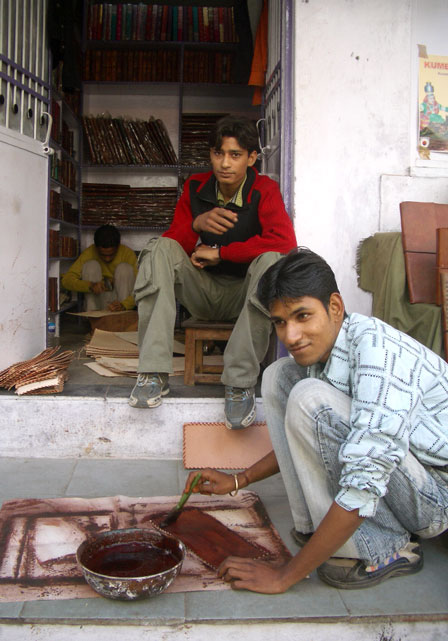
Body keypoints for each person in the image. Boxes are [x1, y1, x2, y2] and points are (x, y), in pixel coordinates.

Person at [183, 248, 448, 592]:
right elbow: (306, 435)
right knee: (279, 376)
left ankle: (386, 547)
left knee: (311, 399)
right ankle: (314, 525)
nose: (291, 336)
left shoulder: (377, 352)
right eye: (280, 322)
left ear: (335, 307)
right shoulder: (330, 348)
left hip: (435, 498)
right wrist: (239, 479)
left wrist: (285, 575)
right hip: (406, 475)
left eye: (302, 316)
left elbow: (364, 479)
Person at [130, 115, 297, 429]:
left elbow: (286, 242)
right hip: (203, 292)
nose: (225, 163)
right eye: (219, 153)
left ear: (251, 158)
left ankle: (239, 383)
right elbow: (175, 243)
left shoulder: (264, 189)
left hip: (246, 297)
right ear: (210, 154)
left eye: (235, 155)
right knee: (158, 248)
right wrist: (196, 224)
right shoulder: (195, 186)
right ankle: (153, 372)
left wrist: (221, 253)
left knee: (272, 260)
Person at [61, 224, 137, 312]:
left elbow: (141, 287)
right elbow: (66, 281)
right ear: (96, 248)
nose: (107, 259)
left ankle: (122, 314)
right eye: (103, 255)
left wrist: (124, 305)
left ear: (118, 247)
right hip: (97, 300)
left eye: (111, 254)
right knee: (91, 265)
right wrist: (90, 286)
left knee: (125, 268)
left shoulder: (127, 253)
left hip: (121, 303)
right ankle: (92, 315)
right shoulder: (90, 252)